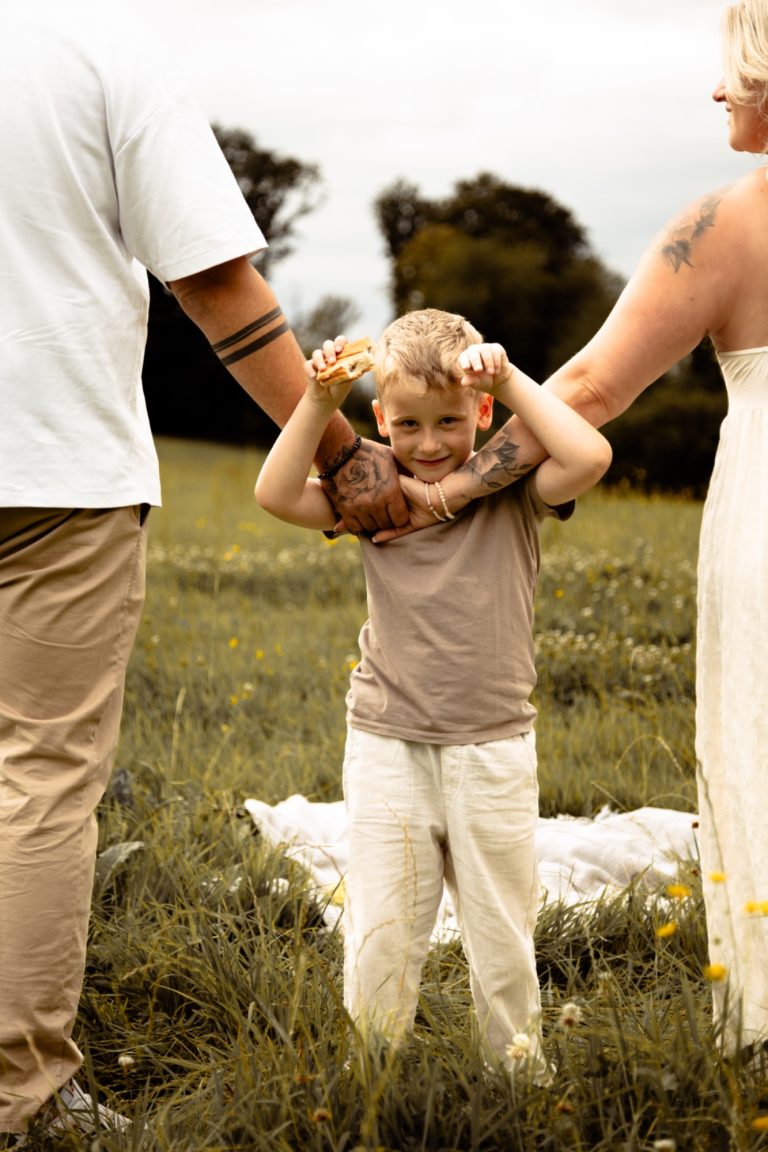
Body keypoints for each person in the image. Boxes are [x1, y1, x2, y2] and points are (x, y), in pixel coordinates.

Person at [0, 5, 405, 1144]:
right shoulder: (94, 46)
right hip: (53, 472)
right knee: (35, 779)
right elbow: (214, 280)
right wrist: (345, 455)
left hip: (58, 469)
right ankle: (23, 1098)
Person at [374, 0, 768, 1061]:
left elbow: (589, 390)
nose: (720, 90)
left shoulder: (731, 223)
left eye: (734, 67)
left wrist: (449, 492)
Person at [255, 309, 612, 1077]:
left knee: (501, 927)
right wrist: (320, 400)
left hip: (493, 746)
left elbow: (589, 452)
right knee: (384, 924)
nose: (427, 443)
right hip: (388, 739)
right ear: (380, 417)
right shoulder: (370, 492)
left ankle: (518, 1073)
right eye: (407, 423)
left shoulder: (511, 489)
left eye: (449, 420)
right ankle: (373, 1076)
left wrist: (511, 377)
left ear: (483, 413)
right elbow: (277, 495)